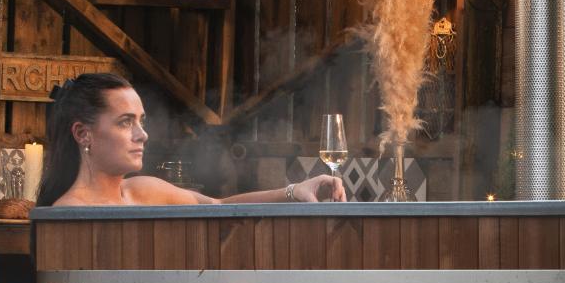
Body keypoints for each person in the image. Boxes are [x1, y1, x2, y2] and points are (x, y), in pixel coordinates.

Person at [34, 72, 346, 207]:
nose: (142, 135)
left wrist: (294, 191)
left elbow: (219, 206)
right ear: (82, 134)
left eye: (141, 121)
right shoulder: (69, 212)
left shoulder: (143, 191)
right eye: (125, 122)